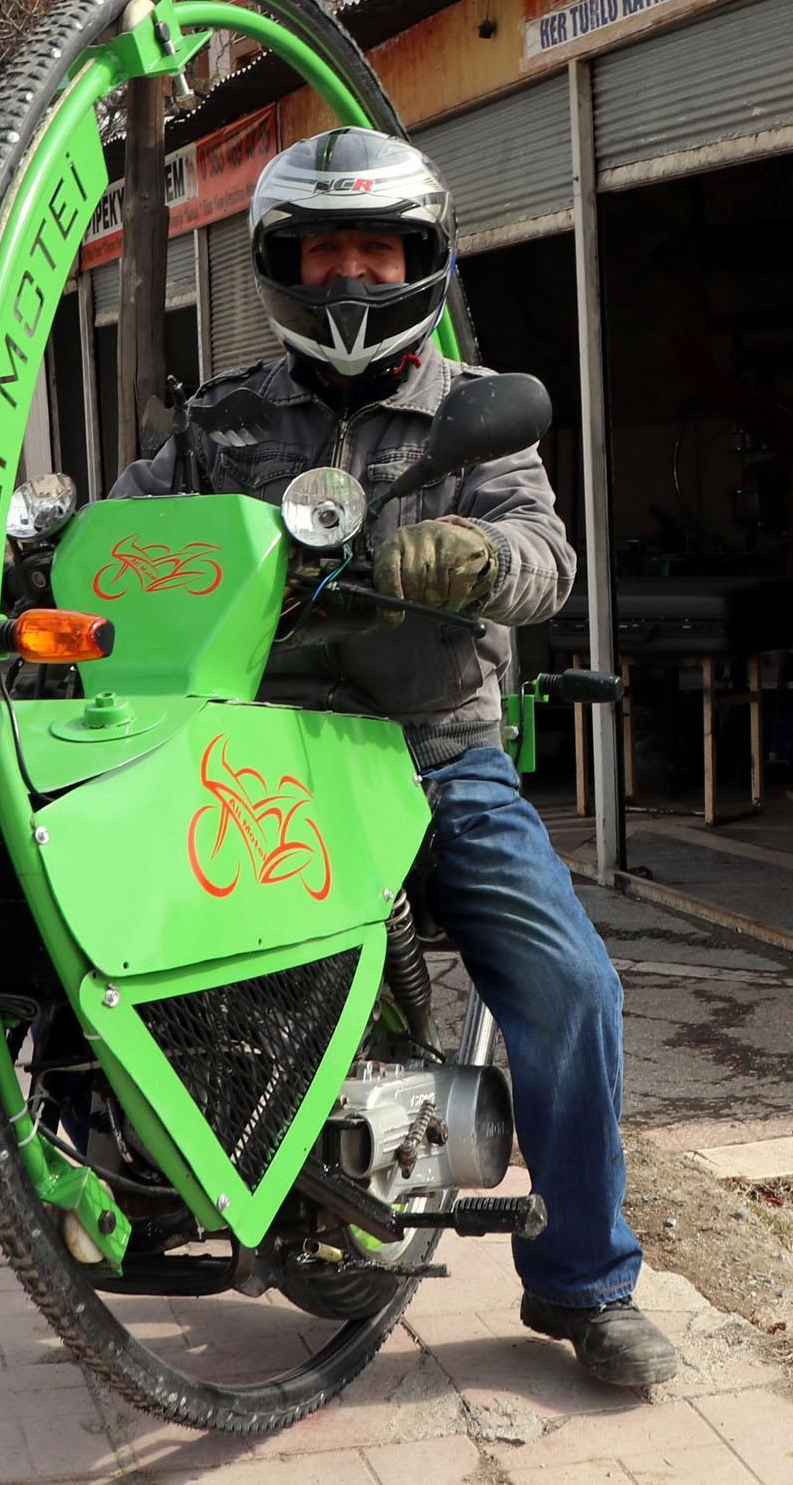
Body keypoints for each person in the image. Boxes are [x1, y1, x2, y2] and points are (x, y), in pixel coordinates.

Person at [110, 129, 679, 1390]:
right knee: (125, 950)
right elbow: (133, 529)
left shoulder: (476, 412)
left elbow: (545, 554)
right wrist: (55, 539)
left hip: (437, 756)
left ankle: (586, 1282)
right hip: (261, 759)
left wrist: (478, 561)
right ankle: (161, 1191)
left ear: (420, 259)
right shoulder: (224, 420)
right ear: (282, 264)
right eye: (325, 249)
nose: (350, 274)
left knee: (572, 987)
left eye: (375, 247)